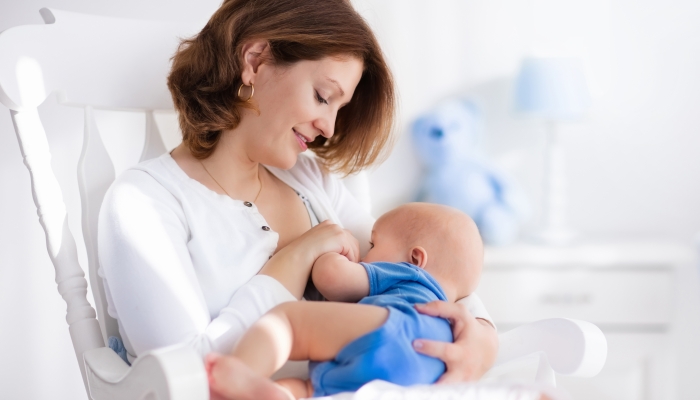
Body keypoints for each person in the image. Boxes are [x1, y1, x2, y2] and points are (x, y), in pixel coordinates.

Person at [97, 0, 498, 395]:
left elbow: (420, 268)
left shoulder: (310, 180)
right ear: (254, 61)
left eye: (340, 108)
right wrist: (293, 260)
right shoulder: (145, 202)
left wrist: (482, 337)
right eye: (324, 97)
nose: (328, 126)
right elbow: (184, 378)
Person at [206, 203, 484, 399]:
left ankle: (241, 374)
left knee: (289, 321)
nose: (365, 252)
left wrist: (333, 253)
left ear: (415, 259)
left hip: (398, 329)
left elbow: (331, 277)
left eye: (373, 245)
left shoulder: (408, 274)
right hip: (429, 371)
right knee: (311, 388)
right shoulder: (450, 317)